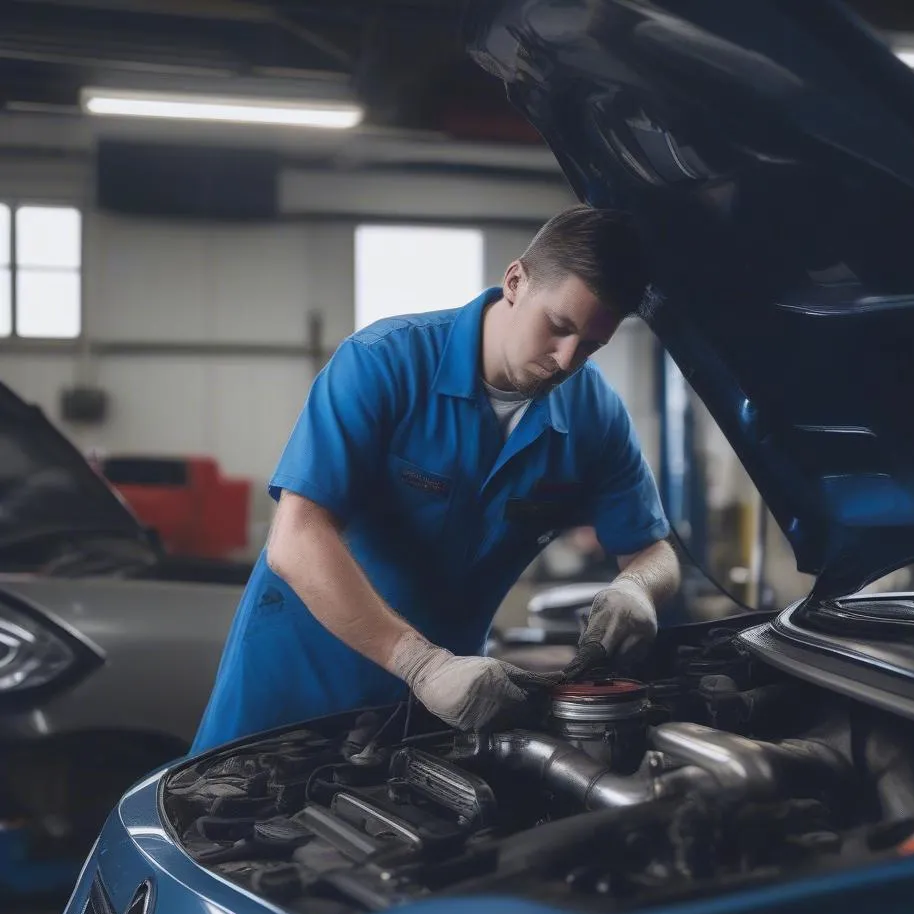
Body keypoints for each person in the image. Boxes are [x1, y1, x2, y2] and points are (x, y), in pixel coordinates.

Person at [190, 205, 681, 753]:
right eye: (559, 327)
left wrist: (638, 588)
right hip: (293, 683)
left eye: (591, 345)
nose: (567, 360)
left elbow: (652, 550)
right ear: (515, 281)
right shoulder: (382, 363)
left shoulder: (595, 415)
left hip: (444, 703)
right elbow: (295, 538)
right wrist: (419, 663)